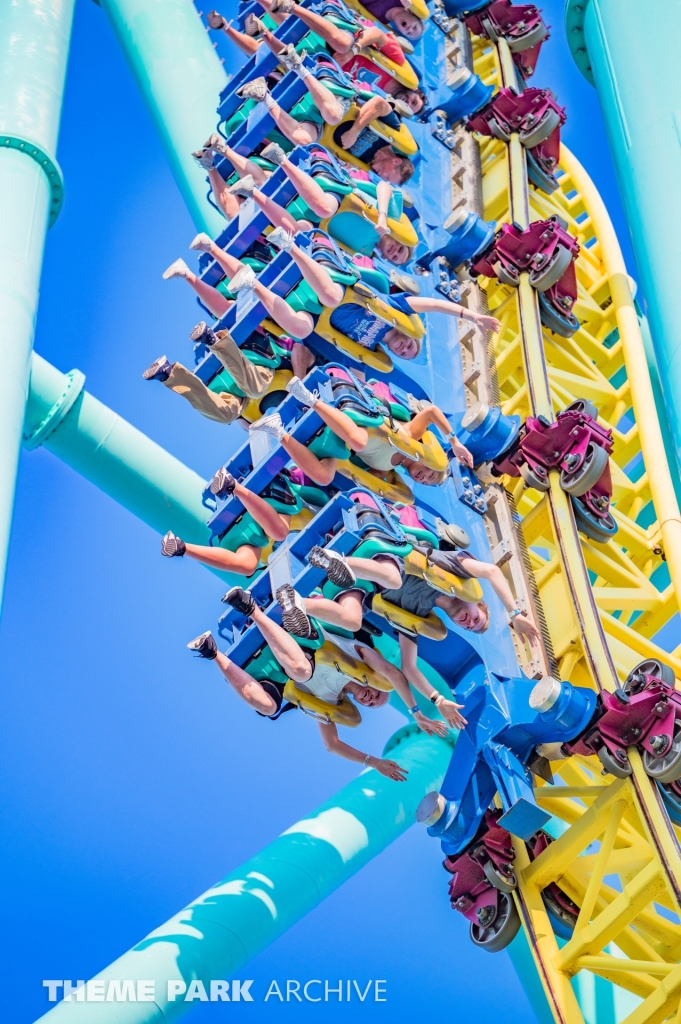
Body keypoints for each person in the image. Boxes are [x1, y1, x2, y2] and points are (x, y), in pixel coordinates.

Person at [187, 582, 447, 777]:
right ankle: (250, 608)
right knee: (302, 671)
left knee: (268, 707)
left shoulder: (329, 699)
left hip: (280, 670)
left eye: (370, 704)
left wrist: (374, 762)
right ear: (373, 684)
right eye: (377, 695)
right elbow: (393, 674)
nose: (371, 699)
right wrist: (416, 712)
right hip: (307, 640)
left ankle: (211, 652)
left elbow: (332, 745)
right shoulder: (359, 654)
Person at [246, 375, 473, 487]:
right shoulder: (413, 435)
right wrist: (454, 442)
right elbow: (431, 411)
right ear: (430, 462)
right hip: (361, 416)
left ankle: (277, 430)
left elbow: (368, 483)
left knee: (325, 477)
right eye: (430, 474)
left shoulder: (385, 471)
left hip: (344, 440)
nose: (424, 478)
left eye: (425, 483)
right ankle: (308, 397)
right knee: (360, 441)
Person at [310, 540, 541, 644]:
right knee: (392, 579)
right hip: (388, 557)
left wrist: (431, 703)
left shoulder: (421, 614)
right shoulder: (458, 572)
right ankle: (332, 560)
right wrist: (515, 614)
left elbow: (409, 668)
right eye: (477, 618)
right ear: (478, 604)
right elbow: (491, 571)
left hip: (362, 585)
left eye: (470, 628)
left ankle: (298, 603)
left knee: (352, 621)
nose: (470, 623)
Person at [237, 143, 415, 266]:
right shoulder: (393, 218)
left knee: (296, 232)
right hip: (336, 193)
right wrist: (382, 216)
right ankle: (281, 159)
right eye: (400, 249)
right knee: (325, 208)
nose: (394, 251)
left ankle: (247, 185)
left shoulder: (364, 255)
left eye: (394, 257)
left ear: (385, 257)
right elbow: (385, 187)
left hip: (318, 221)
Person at [162, 227, 348, 337]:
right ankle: (289, 245)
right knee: (332, 298)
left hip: (291, 303)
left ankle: (190, 271)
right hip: (326, 277)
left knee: (301, 331)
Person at [158, 467, 293, 576]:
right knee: (279, 532)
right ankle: (233, 485)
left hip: (241, 526)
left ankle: (181, 547)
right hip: (271, 497)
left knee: (248, 566)